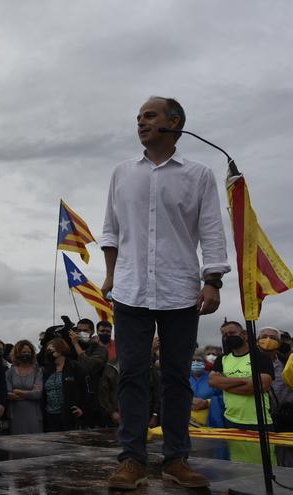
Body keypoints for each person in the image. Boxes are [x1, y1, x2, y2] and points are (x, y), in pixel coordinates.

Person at [101, 97, 229, 490]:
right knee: (133, 375)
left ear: (174, 123)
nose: (141, 122)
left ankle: (176, 459)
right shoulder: (122, 173)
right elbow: (110, 230)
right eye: (138, 117)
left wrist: (213, 280)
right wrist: (109, 277)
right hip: (129, 290)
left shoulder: (200, 174)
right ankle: (132, 461)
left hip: (180, 290)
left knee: (176, 377)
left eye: (150, 116)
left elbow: (211, 229)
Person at [209, 321, 273, 431]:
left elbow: (261, 385)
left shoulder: (261, 357)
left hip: (259, 421)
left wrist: (225, 383)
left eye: (232, 333)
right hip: (230, 420)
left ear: (244, 334)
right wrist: (245, 381)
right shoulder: (222, 359)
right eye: (225, 335)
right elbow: (213, 381)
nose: (228, 337)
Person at [69, 318, 108, 428]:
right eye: (79, 330)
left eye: (85, 330)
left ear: (92, 332)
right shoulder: (70, 348)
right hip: (75, 398)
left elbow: (89, 366)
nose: (81, 333)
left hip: (95, 401)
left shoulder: (100, 349)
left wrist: (76, 344)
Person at [41, 338, 85, 432]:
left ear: (60, 349)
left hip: (69, 416)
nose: (49, 352)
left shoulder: (74, 366)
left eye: (51, 350)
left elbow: (84, 388)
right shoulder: (47, 370)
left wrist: (82, 407)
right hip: (50, 416)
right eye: (47, 350)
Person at [5, 340, 43, 435]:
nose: (26, 354)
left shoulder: (38, 371)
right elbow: (7, 393)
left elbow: (38, 394)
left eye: (29, 352)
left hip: (34, 414)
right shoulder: (10, 372)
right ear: (17, 353)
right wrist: (28, 394)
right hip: (15, 414)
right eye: (24, 352)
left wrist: (17, 391)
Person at [257, 327, 293, 424]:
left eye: (273, 338)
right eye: (264, 337)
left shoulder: (287, 362)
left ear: (279, 344)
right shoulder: (248, 362)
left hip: (286, 417)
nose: (268, 340)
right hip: (259, 418)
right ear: (257, 341)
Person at [189, 348, 224, 427]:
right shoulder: (184, 378)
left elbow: (224, 397)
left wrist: (208, 402)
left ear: (205, 363)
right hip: (186, 424)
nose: (195, 363)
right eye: (192, 360)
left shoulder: (213, 378)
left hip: (210, 423)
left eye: (199, 361)